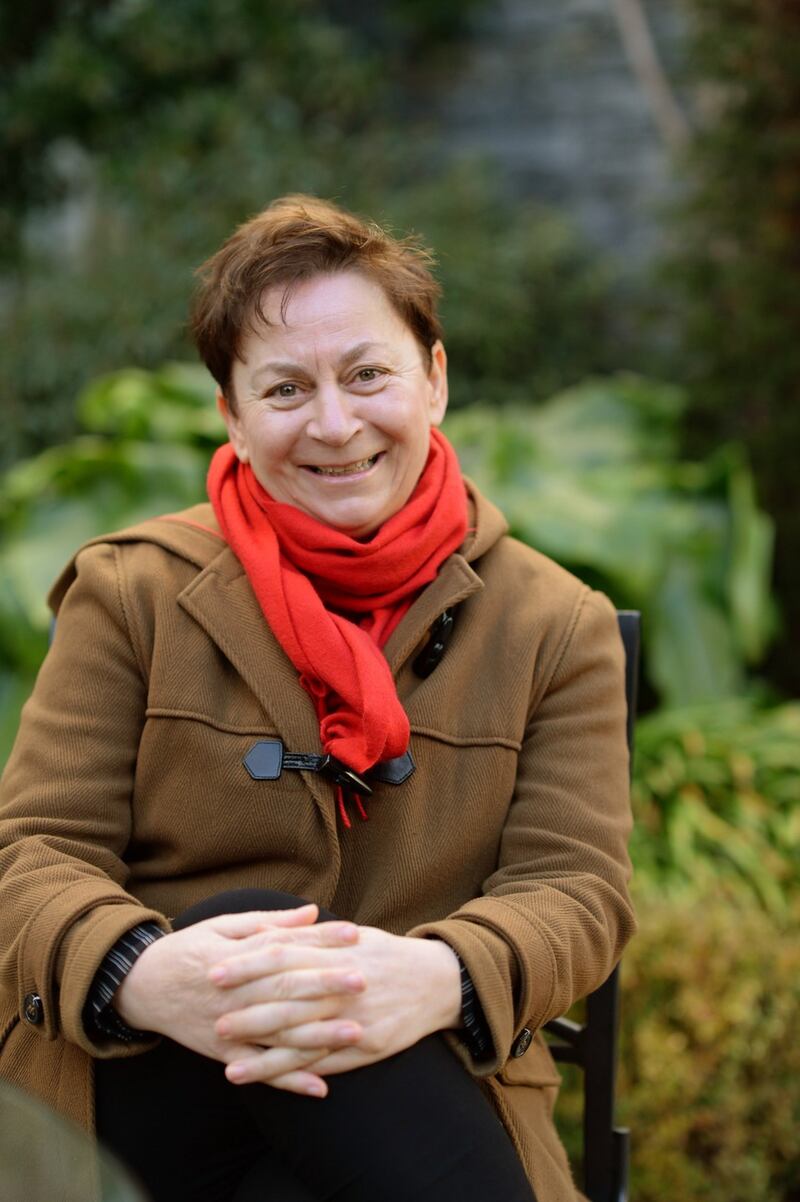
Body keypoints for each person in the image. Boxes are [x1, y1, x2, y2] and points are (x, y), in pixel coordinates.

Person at [0, 195, 635, 1202]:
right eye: (286, 388)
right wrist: (141, 972)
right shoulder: (132, 592)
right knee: (255, 923)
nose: (335, 425)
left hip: (423, 1088)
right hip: (141, 1092)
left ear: (434, 379)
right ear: (233, 414)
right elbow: (30, 855)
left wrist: (435, 976)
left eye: (367, 374)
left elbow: (577, 891)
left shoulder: (552, 623)